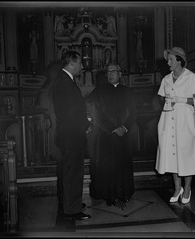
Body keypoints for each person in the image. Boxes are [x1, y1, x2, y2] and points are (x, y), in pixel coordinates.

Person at [155, 47, 195, 205]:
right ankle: (177, 188)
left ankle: (187, 188)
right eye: (167, 60)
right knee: (172, 154)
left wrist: (180, 99)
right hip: (169, 119)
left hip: (185, 120)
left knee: (186, 155)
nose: (168, 62)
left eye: (171, 59)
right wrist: (167, 101)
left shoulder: (191, 77)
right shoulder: (166, 79)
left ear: (179, 60)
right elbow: (160, 99)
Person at [87, 63, 137, 209]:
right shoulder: (98, 91)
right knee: (107, 166)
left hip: (124, 135)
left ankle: (124, 194)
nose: (110, 74)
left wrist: (124, 127)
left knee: (123, 165)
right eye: (108, 72)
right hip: (105, 135)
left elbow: (133, 112)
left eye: (113, 71)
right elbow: (94, 112)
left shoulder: (128, 92)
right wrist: (112, 128)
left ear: (120, 74)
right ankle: (109, 195)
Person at [52, 51, 92, 221]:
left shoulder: (63, 80)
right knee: (73, 174)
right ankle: (72, 210)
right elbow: (71, 112)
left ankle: (70, 204)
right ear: (72, 63)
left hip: (68, 135)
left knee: (69, 173)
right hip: (72, 136)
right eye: (80, 63)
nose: (82, 67)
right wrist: (86, 125)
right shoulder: (65, 83)